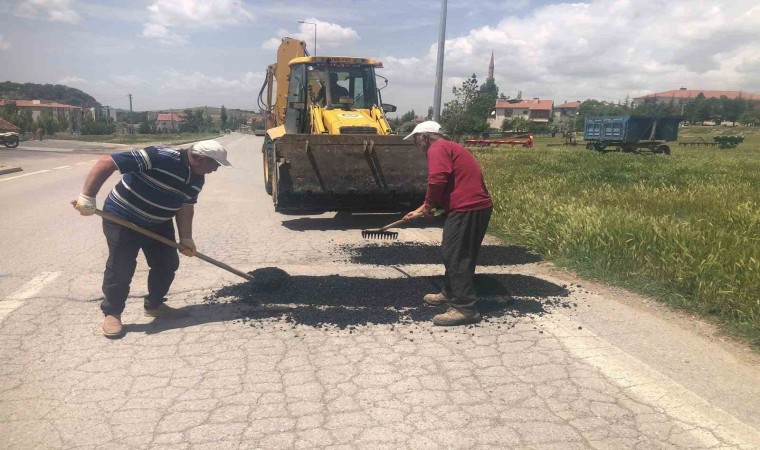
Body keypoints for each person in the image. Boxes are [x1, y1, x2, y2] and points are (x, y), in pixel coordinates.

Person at [73, 140, 231, 338]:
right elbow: (107, 162)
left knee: (167, 263)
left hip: (158, 223)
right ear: (199, 158)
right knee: (121, 265)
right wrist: (87, 196)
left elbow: (185, 206)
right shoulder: (159, 156)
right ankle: (112, 313)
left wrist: (186, 238)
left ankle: (154, 305)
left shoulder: (197, 178)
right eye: (214, 164)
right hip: (123, 217)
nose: (215, 170)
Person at [403, 121, 493, 326]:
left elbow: (437, 179)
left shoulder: (438, 148)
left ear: (425, 136)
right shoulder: (450, 147)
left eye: (416, 139)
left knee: (457, 256)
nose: (416, 144)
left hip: (467, 208)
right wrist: (421, 208)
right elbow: (448, 184)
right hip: (471, 207)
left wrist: (428, 206)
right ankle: (451, 292)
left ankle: (464, 308)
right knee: (455, 253)